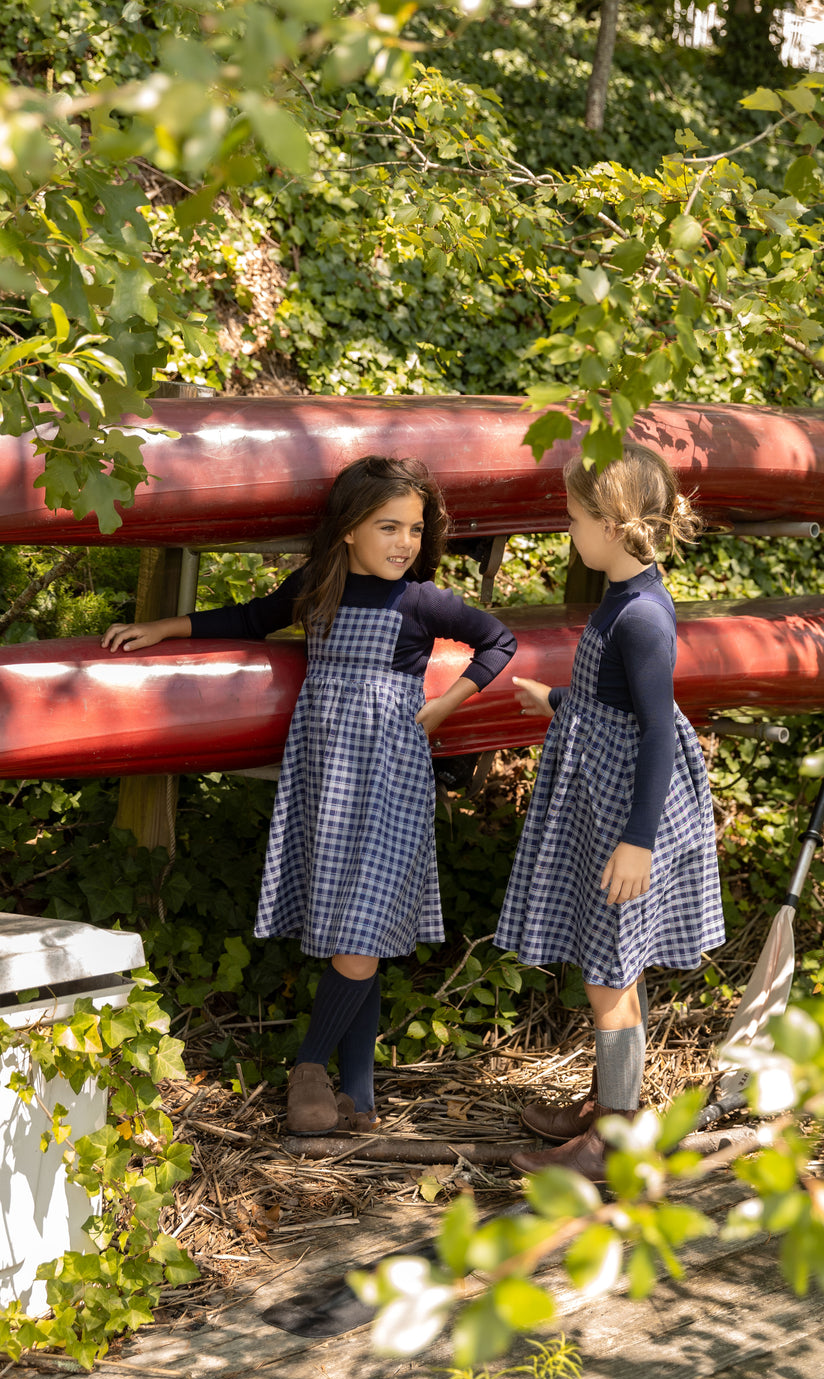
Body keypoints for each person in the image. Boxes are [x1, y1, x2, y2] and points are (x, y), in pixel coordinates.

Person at [101, 456, 516, 1138]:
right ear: (349, 529)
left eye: (414, 530)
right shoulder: (318, 589)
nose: (404, 543)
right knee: (363, 939)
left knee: (361, 934)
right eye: (389, 527)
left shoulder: (418, 600)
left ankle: (309, 1066)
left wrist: (442, 708)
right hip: (326, 775)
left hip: (392, 779)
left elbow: (497, 641)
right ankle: (359, 1098)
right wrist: (167, 628)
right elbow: (251, 617)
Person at [496, 444, 724, 1181]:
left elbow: (658, 729)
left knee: (608, 976)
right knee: (612, 966)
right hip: (606, 805)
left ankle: (616, 1137)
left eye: (573, 519)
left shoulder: (643, 618)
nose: (569, 531)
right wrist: (557, 701)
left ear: (612, 524)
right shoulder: (623, 598)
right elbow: (614, 708)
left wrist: (639, 843)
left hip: (632, 815)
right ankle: (609, 1103)